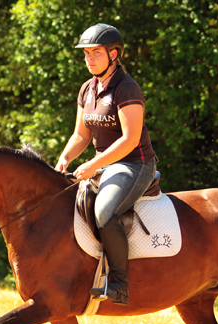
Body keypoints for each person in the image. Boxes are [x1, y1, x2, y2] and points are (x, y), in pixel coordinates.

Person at [56, 23, 158, 306]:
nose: (89, 58)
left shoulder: (127, 87)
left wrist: (92, 164)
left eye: (95, 53)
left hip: (134, 164)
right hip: (104, 165)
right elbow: (81, 134)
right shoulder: (88, 89)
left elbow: (129, 139)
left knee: (104, 210)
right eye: (86, 53)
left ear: (114, 54)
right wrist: (65, 158)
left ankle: (119, 285)